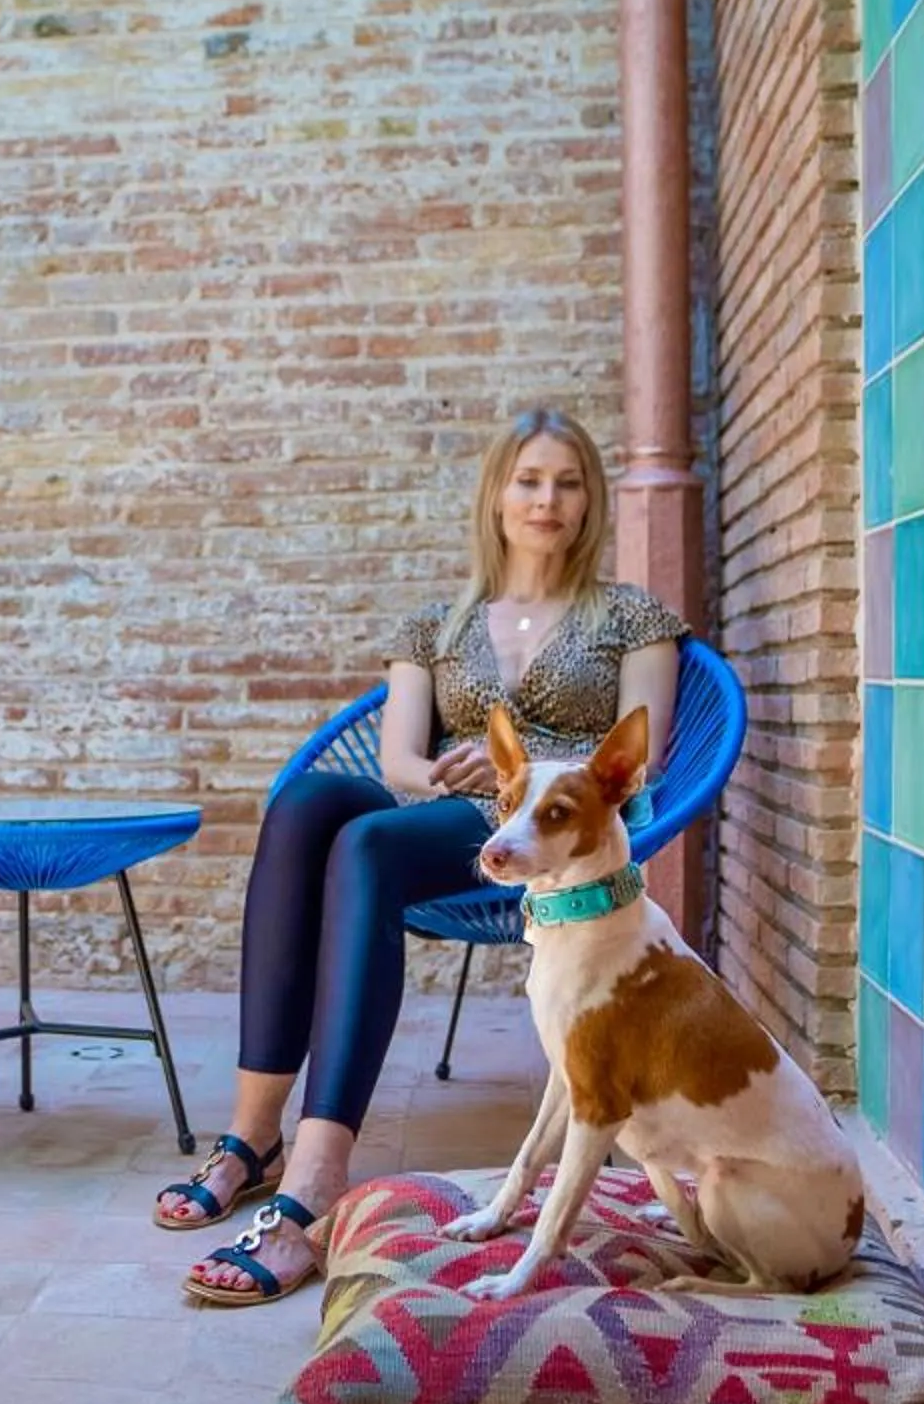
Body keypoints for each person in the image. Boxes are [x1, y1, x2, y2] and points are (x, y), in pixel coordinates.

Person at [159, 409, 686, 1305]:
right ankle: (253, 1137)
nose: (547, 499)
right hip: (450, 808)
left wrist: (524, 775)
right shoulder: (436, 627)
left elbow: (644, 760)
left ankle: (312, 1189)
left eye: (568, 482)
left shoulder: (633, 618)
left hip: (544, 827)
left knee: (364, 843)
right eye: (528, 480)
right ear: (497, 494)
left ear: (590, 500)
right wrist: (461, 772)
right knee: (309, 804)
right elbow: (399, 757)